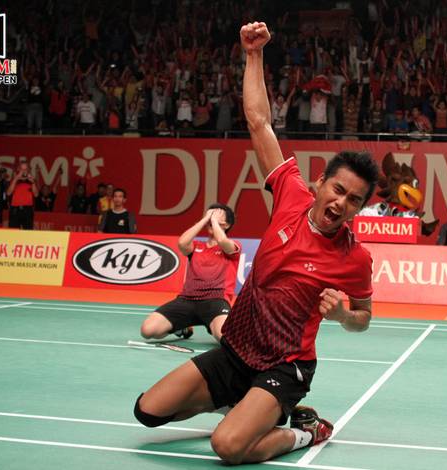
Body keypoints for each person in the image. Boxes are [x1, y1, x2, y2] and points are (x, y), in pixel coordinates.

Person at [134, 22, 379, 465]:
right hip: (236, 351)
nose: (341, 203)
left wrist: (344, 316)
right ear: (320, 183)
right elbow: (259, 122)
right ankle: (242, 403)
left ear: (359, 209)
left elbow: (364, 317)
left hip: (286, 365)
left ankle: (303, 431)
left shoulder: (354, 258)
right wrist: (253, 55)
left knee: (228, 446)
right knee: (147, 411)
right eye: (338, 190)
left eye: (354, 201)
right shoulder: (290, 194)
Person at [140, 204, 240, 342]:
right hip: (187, 300)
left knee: (224, 337)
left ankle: (212, 325)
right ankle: (182, 329)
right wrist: (205, 219)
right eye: (210, 214)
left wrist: (214, 221)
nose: (212, 218)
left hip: (216, 301)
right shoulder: (197, 246)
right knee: (147, 331)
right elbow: (182, 242)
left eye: (217, 215)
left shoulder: (233, 246)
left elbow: (222, 240)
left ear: (227, 224)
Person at [7, 162, 38, 229]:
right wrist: (16, 179)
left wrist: (33, 182)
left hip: (27, 210)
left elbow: (36, 194)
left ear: (28, 170)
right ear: (18, 169)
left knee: (27, 232)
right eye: (22, 169)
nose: (24, 171)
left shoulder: (31, 180)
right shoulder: (14, 180)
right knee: (13, 232)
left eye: (25, 169)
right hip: (15, 210)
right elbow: (8, 193)